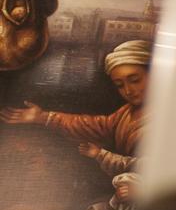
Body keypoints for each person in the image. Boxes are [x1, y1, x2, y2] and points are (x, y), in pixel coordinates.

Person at [0, 39, 150, 175]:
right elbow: (95, 126)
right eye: (120, 85)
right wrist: (42, 117)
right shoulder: (127, 112)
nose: (128, 91)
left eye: (135, 80)